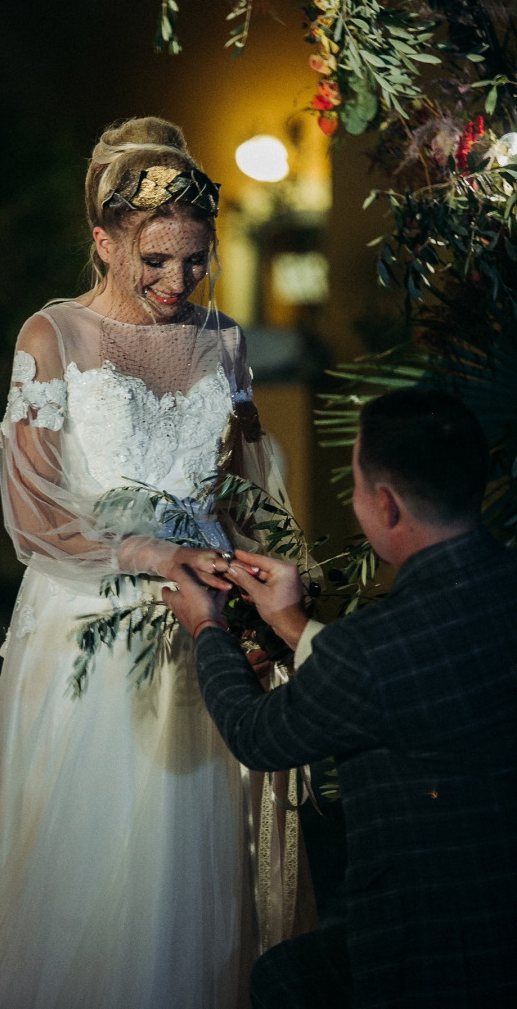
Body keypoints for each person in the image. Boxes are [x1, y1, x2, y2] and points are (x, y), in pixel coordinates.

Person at [0, 117, 309, 1009]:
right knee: (89, 867)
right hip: (86, 629)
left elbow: (243, 487)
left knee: (189, 861)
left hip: (200, 636)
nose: (177, 281)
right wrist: (139, 549)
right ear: (104, 242)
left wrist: (253, 578)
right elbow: (32, 508)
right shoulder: (53, 337)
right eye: (154, 259)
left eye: (197, 260)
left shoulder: (224, 342)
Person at [163, 388, 517, 1008]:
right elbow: (420, 679)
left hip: (432, 940)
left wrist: (207, 628)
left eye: (355, 486)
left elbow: (256, 734)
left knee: (284, 981)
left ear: (385, 504)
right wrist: (292, 621)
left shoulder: (372, 647)